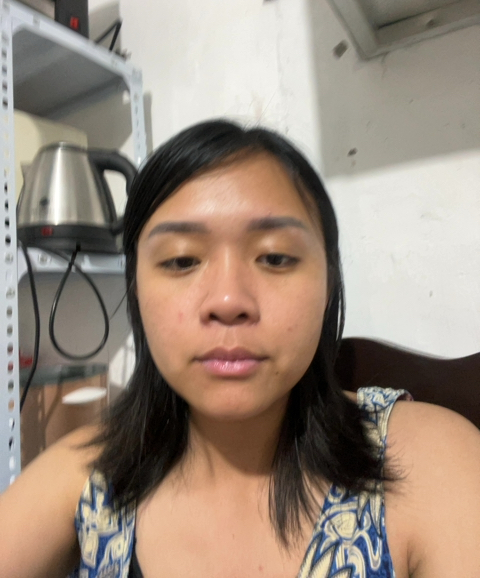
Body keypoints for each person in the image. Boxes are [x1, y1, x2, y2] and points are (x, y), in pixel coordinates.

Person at [1, 120, 479, 578]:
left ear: (328, 283)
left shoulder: (430, 465)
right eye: (181, 260)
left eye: (275, 257)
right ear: (136, 289)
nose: (228, 302)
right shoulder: (89, 471)